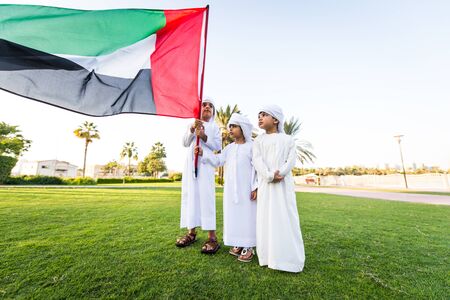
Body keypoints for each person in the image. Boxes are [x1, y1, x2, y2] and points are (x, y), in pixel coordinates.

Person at [196, 113, 258, 262]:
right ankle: (238, 242)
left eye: (234, 126)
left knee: (248, 217)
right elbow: (218, 160)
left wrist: (255, 187)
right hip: (231, 190)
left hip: (247, 190)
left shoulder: (252, 147)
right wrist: (204, 153)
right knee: (234, 216)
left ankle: (249, 246)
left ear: (243, 129)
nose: (230, 129)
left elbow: (257, 168)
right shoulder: (229, 148)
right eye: (230, 126)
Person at [252, 105, 305, 272]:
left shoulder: (288, 139)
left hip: (283, 186)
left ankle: (288, 259)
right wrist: (269, 175)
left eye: (264, 114)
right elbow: (257, 160)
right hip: (266, 186)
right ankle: (268, 257)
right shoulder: (258, 140)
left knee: (285, 217)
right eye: (258, 115)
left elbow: (290, 160)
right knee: (266, 218)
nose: (260, 117)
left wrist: (280, 173)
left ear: (275, 119)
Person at [176, 98, 222, 254]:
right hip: (190, 167)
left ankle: (212, 237)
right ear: (199, 109)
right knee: (191, 197)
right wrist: (192, 130)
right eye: (204, 105)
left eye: (210, 106)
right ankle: (191, 233)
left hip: (205, 165)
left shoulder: (215, 127)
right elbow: (184, 142)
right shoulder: (192, 123)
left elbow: (217, 146)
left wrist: (203, 136)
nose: (207, 107)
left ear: (213, 111)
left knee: (206, 198)